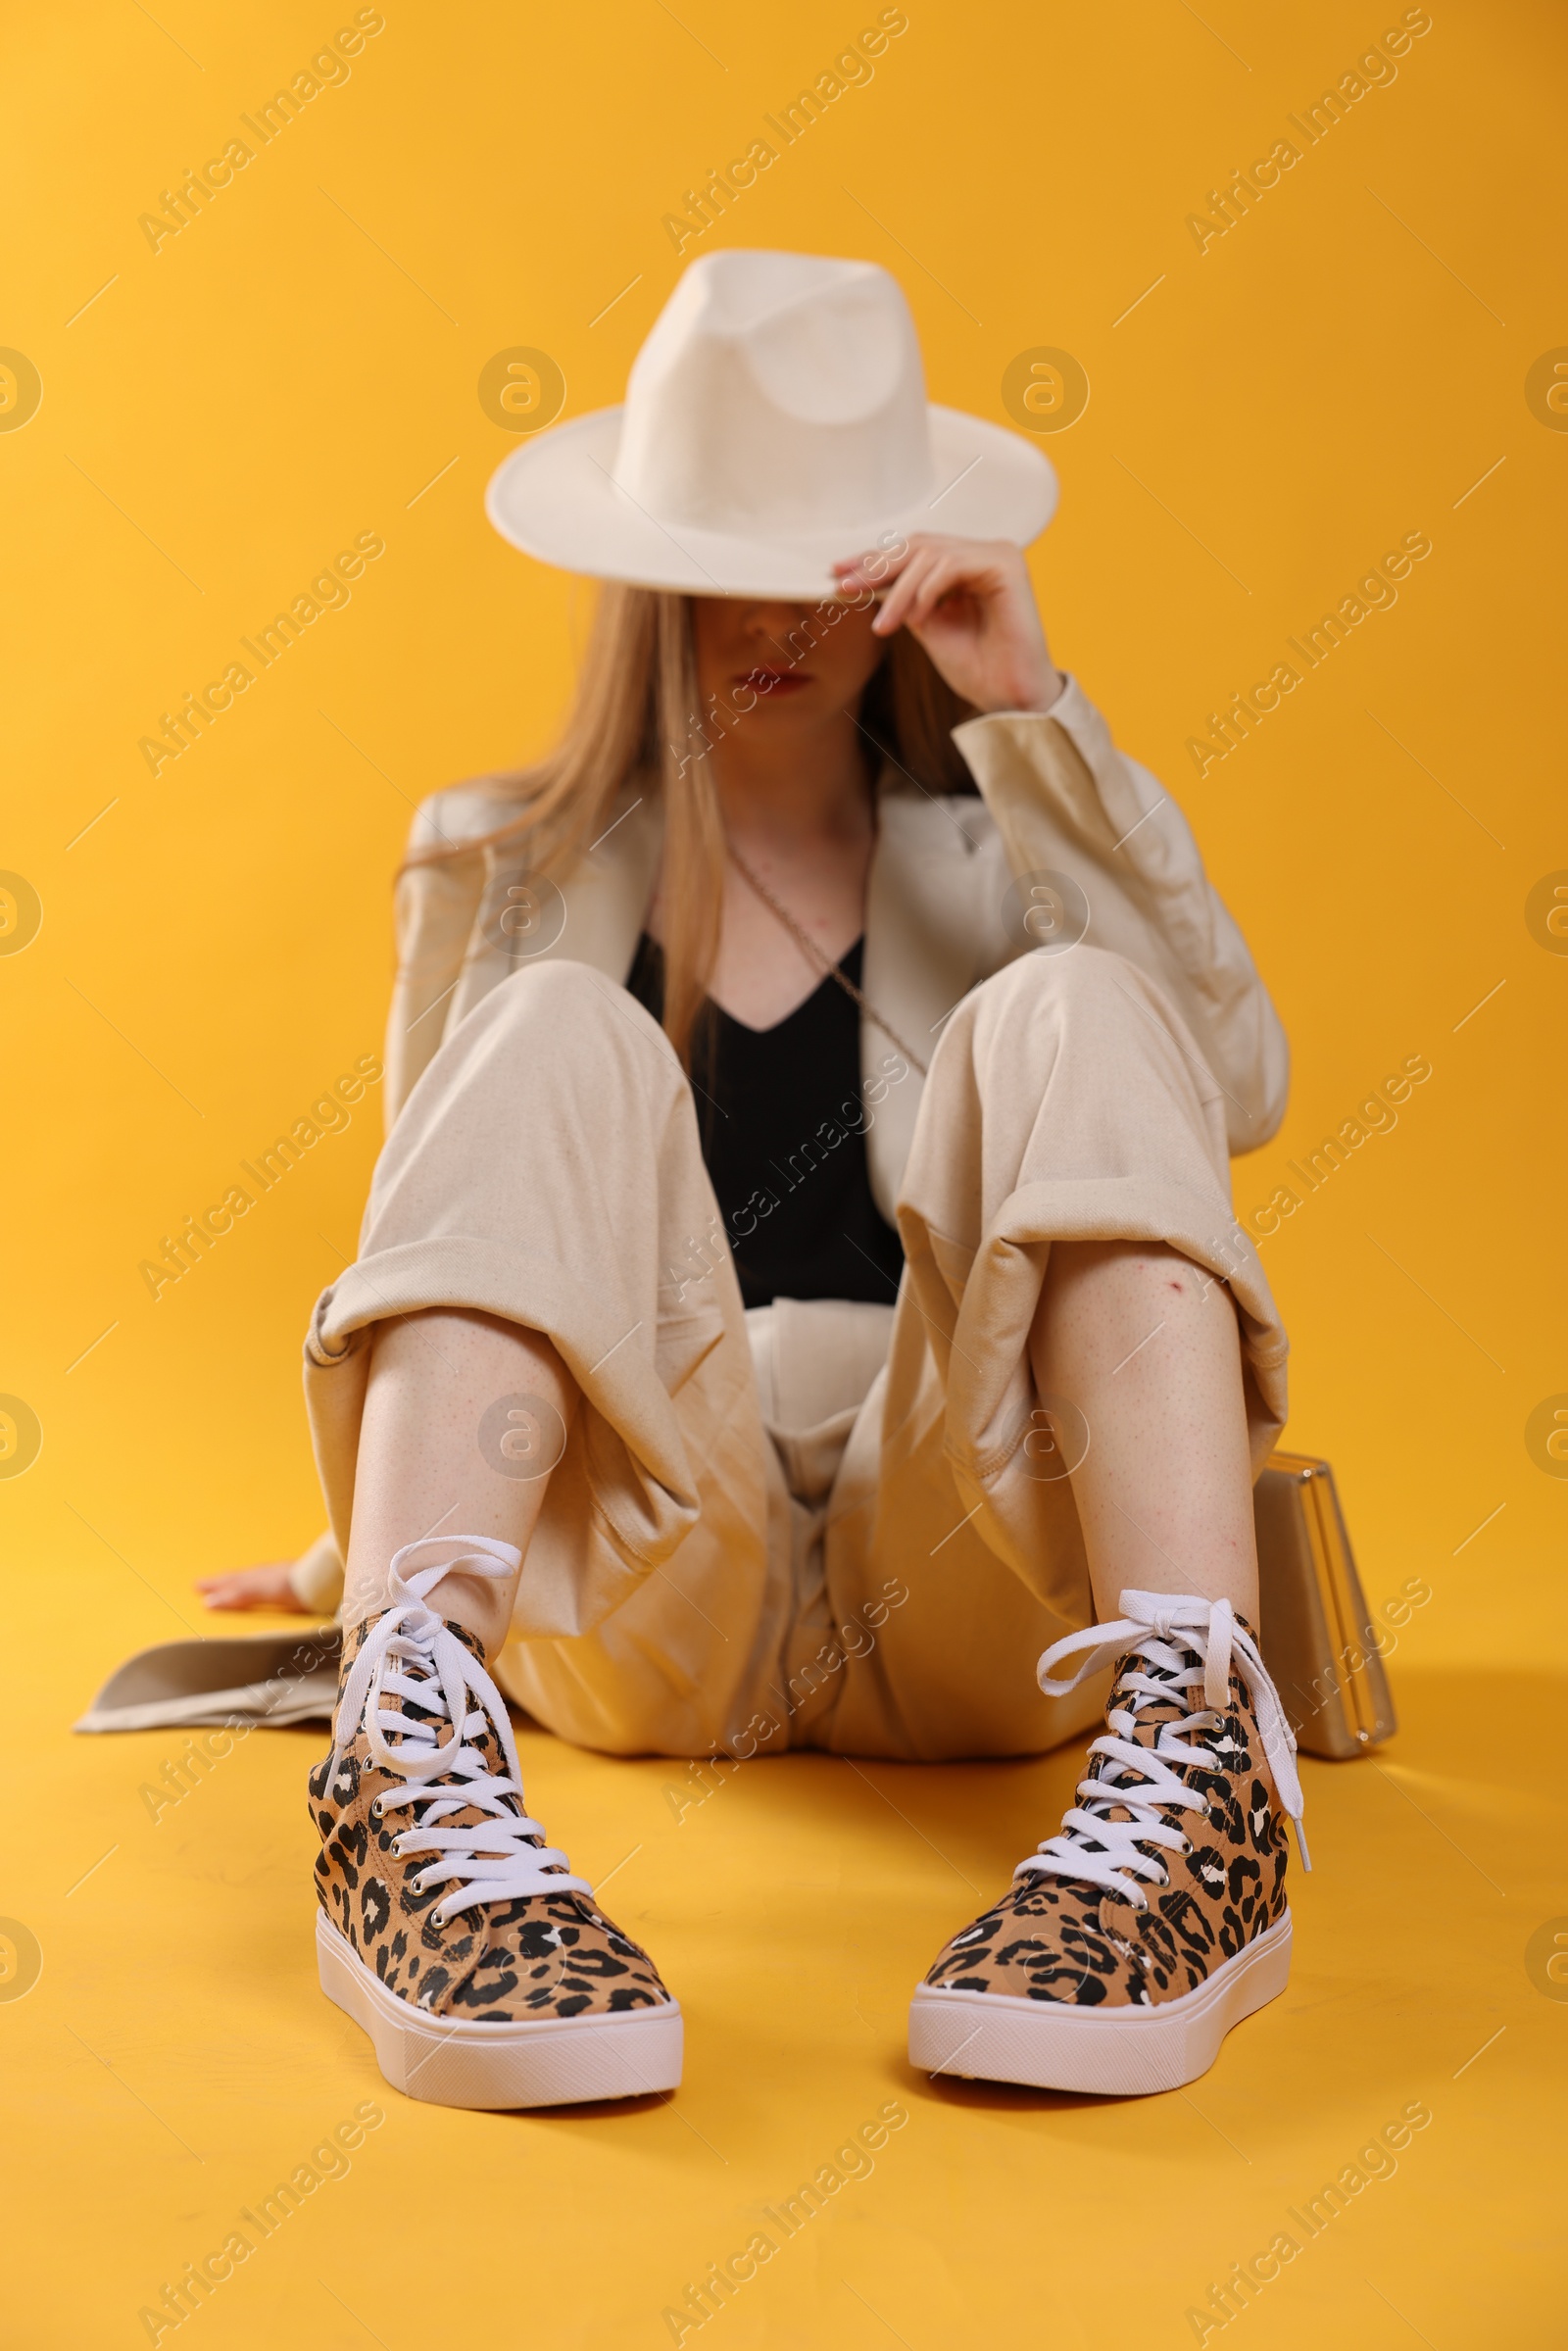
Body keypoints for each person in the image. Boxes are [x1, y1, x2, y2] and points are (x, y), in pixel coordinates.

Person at [203, 248, 1304, 2112]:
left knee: (1083, 1000)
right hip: (652, 1577)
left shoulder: (999, 840)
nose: (781, 620)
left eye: (828, 568)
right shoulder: (495, 864)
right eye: (734, 565)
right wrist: (353, 1560)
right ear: (652, 571)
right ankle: (407, 1766)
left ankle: (1202, 1768)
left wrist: (1034, 716)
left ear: (902, 575)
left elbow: (1228, 1093)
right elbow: (450, 1228)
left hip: (958, 1564)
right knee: (548, 1028)